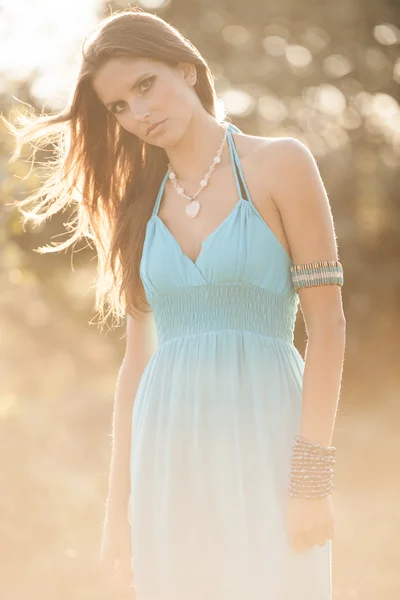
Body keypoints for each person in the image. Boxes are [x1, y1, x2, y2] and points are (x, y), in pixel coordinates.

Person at [5, 8, 346, 600]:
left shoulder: (280, 164)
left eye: (145, 85)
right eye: (119, 107)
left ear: (186, 70)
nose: (138, 113)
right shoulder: (134, 207)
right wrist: (118, 514)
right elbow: (136, 365)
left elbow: (329, 326)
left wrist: (310, 479)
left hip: (265, 436)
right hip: (167, 451)